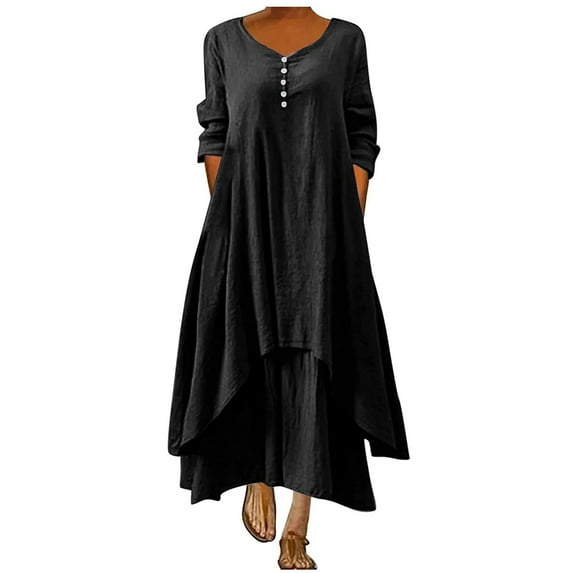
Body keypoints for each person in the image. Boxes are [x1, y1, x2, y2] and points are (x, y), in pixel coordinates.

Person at [168, 7, 410, 569]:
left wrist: (344, 219)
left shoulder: (347, 40)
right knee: (250, 336)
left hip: (324, 221)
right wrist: (233, 219)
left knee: (317, 354)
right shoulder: (222, 40)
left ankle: (298, 525)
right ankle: (258, 471)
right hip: (246, 220)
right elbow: (215, 132)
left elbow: (361, 134)